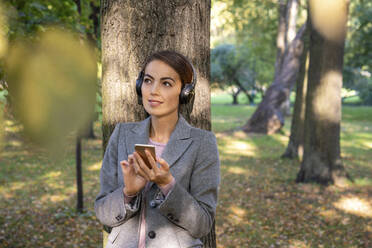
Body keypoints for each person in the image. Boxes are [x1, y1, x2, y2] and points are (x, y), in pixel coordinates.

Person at [94, 50, 220, 248]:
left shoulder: (202, 143)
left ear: (185, 92)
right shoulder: (122, 135)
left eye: (166, 83)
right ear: (139, 86)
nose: (153, 90)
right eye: (148, 80)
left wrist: (168, 184)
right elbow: (102, 211)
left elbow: (202, 225)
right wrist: (128, 192)